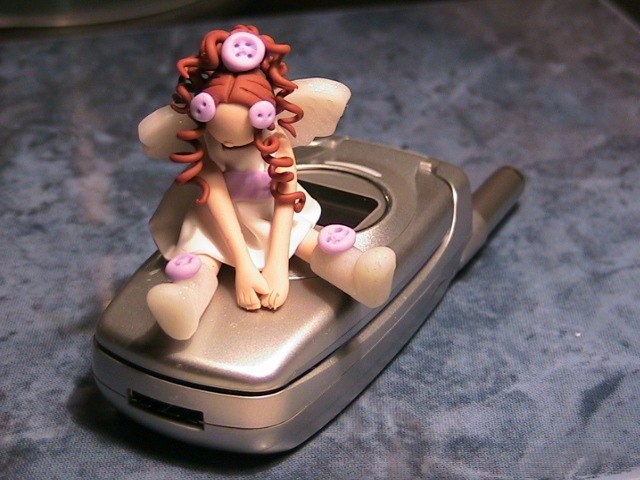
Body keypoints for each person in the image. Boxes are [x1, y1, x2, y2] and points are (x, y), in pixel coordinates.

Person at [139, 25, 396, 340]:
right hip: (219, 221)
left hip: (271, 213)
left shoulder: (277, 141)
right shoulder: (205, 147)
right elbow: (218, 202)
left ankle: (356, 274)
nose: (228, 144)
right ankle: (185, 301)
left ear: (264, 117)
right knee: (203, 257)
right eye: (220, 134)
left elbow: (286, 198)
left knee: (308, 240)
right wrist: (244, 267)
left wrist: (276, 266)